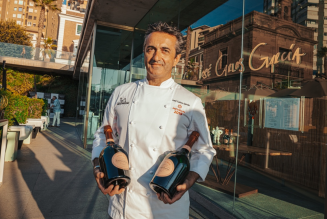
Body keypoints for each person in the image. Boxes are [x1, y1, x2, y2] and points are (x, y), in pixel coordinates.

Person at [92, 22, 216, 219]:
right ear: (144, 53)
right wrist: (98, 167)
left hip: (166, 208)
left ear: (176, 59)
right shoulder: (121, 93)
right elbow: (103, 133)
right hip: (122, 207)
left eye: (165, 50)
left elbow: (204, 150)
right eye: (151, 49)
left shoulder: (191, 102)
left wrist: (189, 180)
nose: (156, 57)